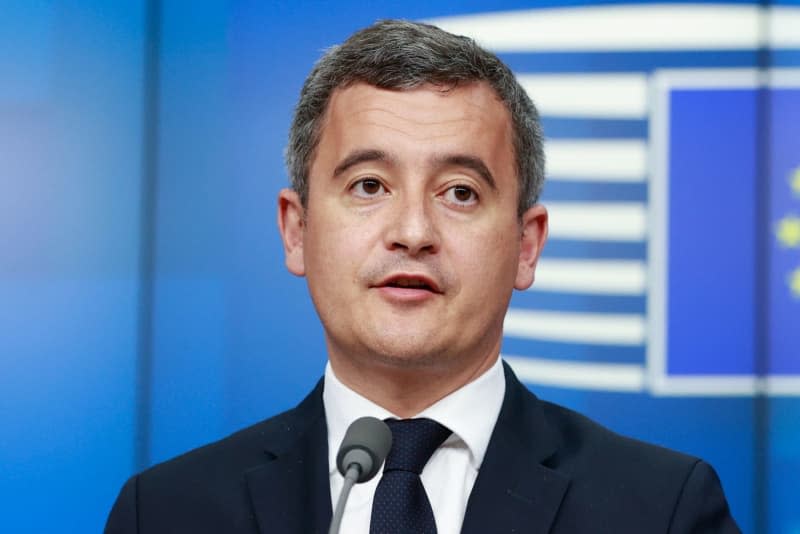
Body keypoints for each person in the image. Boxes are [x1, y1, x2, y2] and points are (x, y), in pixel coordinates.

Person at [105, 19, 740, 533]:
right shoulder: (165, 513)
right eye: (369, 185)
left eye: (460, 192)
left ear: (526, 245)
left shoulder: (660, 510)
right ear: (296, 230)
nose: (413, 231)